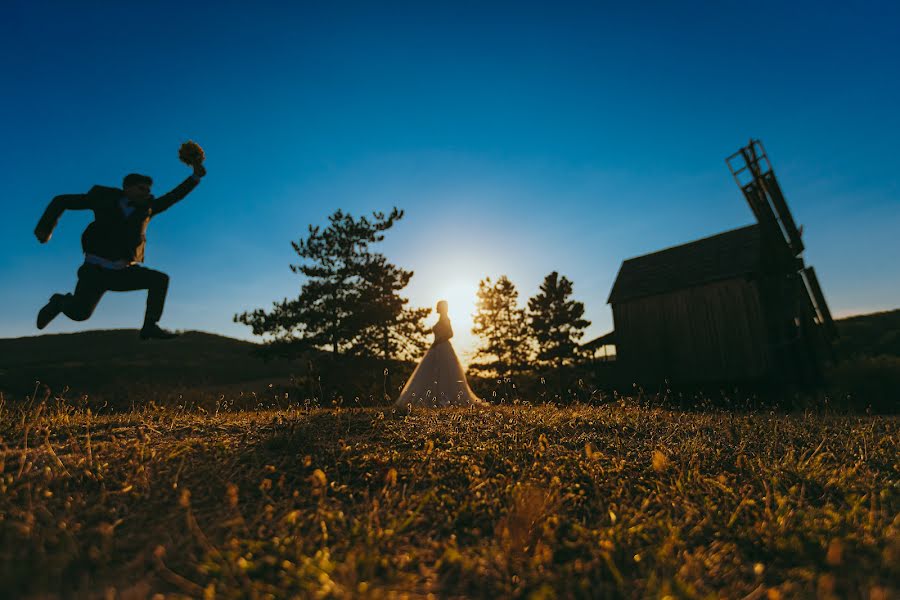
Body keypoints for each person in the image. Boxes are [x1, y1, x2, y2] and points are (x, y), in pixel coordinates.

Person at [33, 159, 207, 340]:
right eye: (141, 188)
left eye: (148, 190)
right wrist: (44, 229)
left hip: (123, 272)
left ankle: (150, 325)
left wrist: (195, 177)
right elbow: (62, 200)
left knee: (159, 280)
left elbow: (174, 196)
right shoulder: (103, 199)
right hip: (95, 272)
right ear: (127, 188)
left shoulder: (147, 209)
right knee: (80, 314)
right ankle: (59, 302)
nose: (146, 193)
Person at [395, 300, 484, 408]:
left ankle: (444, 399)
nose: (436, 308)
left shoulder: (445, 319)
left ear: (441, 308)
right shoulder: (441, 319)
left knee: (444, 373)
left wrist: (439, 341)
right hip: (436, 347)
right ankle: (434, 398)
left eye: (438, 306)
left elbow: (450, 333)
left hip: (443, 347)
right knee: (432, 373)